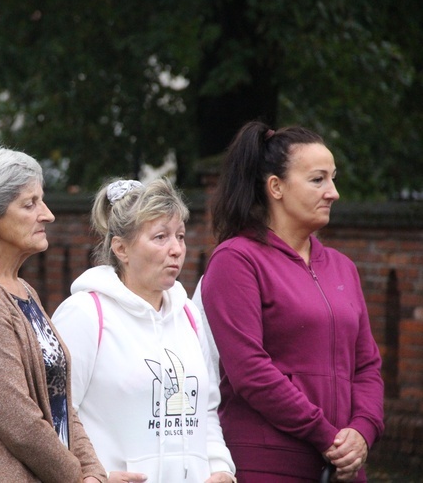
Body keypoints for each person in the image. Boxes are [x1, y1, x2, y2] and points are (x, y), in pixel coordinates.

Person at [198, 121, 384, 482]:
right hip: (270, 465)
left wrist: (363, 431)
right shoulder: (236, 260)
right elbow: (250, 371)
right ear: (276, 187)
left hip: (343, 468)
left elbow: (367, 367)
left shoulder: (343, 268)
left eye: (333, 179)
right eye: (318, 180)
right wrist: (326, 435)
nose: (333, 192)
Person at [52, 177, 236, 483]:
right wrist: (91, 477)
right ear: (121, 248)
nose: (177, 249)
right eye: (161, 237)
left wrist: (220, 469)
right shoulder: (84, 314)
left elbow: (206, 410)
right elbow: (55, 412)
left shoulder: (189, 314)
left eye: (180, 236)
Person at [0, 147, 107, 482]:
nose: (47, 214)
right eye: (30, 204)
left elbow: (59, 397)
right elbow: (20, 423)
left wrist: (92, 472)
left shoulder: (23, 290)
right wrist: (77, 477)